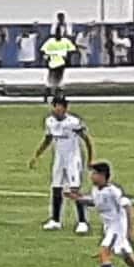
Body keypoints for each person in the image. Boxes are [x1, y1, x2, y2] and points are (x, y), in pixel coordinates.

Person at [29, 97, 94, 234]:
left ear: (65, 108)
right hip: (59, 158)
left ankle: (82, 222)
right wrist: (37, 155)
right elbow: (48, 139)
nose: (56, 109)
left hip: (72, 158)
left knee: (74, 188)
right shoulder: (50, 121)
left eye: (59, 107)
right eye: (54, 106)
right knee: (56, 187)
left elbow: (86, 139)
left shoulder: (73, 122)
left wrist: (90, 158)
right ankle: (55, 220)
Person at [40, 30, 76, 103]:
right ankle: (51, 96)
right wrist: (47, 57)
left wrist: (67, 57)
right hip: (53, 63)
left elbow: (72, 50)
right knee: (52, 81)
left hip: (59, 63)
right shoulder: (51, 41)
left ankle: (56, 97)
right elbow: (43, 51)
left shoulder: (64, 41)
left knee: (57, 81)